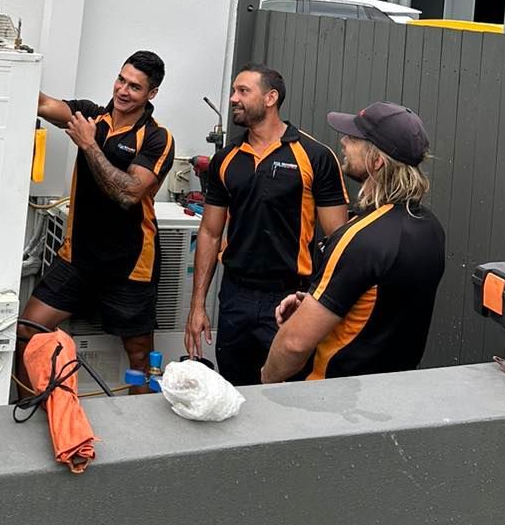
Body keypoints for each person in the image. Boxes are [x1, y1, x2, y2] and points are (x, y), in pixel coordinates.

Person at [184, 64, 349, 386]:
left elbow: (338, 240)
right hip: (235, 296)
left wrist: (320, 305)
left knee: (287, 393)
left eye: (243, 91)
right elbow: (210, 232)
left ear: (271, 98)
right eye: (233, 91)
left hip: (290, 297)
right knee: (233, 388)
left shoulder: (314, 156)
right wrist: (197, 306)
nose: (233, 98)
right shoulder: (226, 158)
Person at [260, 100, 446, 383]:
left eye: (355, 138)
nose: (343, 141)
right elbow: (381, 306)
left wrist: (267, 381)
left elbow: (294, 344)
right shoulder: (430, 227)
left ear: (377, 161)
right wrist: (314, 304)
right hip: (392, 391)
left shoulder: (360, 237)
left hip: (335, 398)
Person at [18, 51, 174, 387]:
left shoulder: (156, 138)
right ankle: (31, 408)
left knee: (140, 358)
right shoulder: (91, 116)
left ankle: (144, 429)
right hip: (78, 259)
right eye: (121, 79)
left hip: (129, 265)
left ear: (151, 94)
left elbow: (129, 193)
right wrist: (15, 66)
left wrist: (89, 146)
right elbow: (43, 103)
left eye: (134, 86)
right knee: (26, 330)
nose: (122, 90)